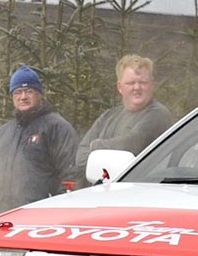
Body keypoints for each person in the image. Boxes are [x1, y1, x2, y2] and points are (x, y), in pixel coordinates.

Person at [0, 65, 79, 217]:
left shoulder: (57, 127)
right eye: (18, 92)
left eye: (29, 91)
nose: (23, 97)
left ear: (39, 94)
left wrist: (59, 216)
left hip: (37, 221)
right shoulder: (4, 132)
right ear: (12, 96)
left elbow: (71, 177)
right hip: (0, 220)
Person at [71, 54, 172, 187]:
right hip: (103, 195)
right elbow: (81, 156)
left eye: (143, 82)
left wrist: (96, 146)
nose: (137, 87)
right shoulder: (108, 116)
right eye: (130, 83)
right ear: (120, 87)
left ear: (152, 85)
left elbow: (133, 143)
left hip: (139, 194)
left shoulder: (158, 114)